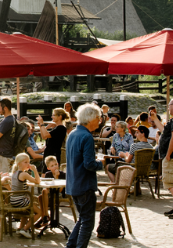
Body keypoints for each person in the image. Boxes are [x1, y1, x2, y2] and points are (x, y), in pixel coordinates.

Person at [65, 103, 104, 248]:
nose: (100, 121)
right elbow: (89, 164)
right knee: (87, 222)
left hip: (73, 184)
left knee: (82, 219)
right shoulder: (87, 136)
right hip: (84, 184)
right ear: (91, 119)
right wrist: (101, 164)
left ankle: (70, 246)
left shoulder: (72, 134)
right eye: (98, 118)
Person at [9, 153, 42, 239]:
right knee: (39, 212)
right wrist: (35, 170)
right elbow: (37, 181)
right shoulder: (23, 174)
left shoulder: (14, 173)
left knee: (26, 212)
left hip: (13, 200)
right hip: (20, 200)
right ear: (19, 163)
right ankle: (25, 228)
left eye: (29, 162)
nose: (28, 164)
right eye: (25, 162)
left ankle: (20, 228)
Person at [40, 155, 66, 224]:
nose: (54, 167)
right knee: (42, 194)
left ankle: (45, 217)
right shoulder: (48, 174)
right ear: (48, 168)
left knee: (42, 196)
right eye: (52, 166)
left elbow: (60, 190)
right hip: (50, 193)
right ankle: (46, 214)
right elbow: (47, 188)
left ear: (58, 164)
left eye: (55, 164)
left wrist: (57, 177)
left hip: (59, 193)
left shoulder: (63, 174)